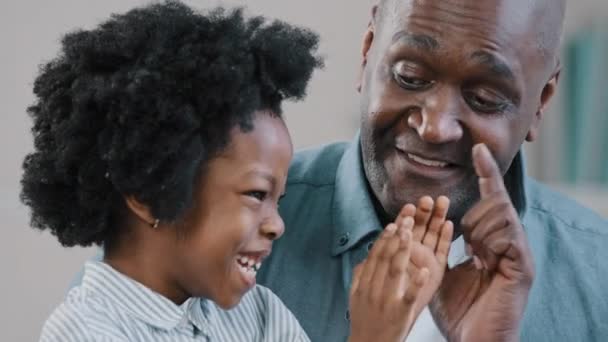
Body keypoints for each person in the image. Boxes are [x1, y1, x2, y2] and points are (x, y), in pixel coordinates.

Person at [21, 1, 454, 341]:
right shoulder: (85, 332)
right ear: (150, 191)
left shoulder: (258, 314)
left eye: (278, 200)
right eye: (256, 195)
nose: (278, 225)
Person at [257, 0, 608, 341]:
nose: (434, 128)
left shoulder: (598, 277)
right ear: (367, 54)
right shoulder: (239, 229)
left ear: (541, 101)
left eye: (484, 98)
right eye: (409, 77)